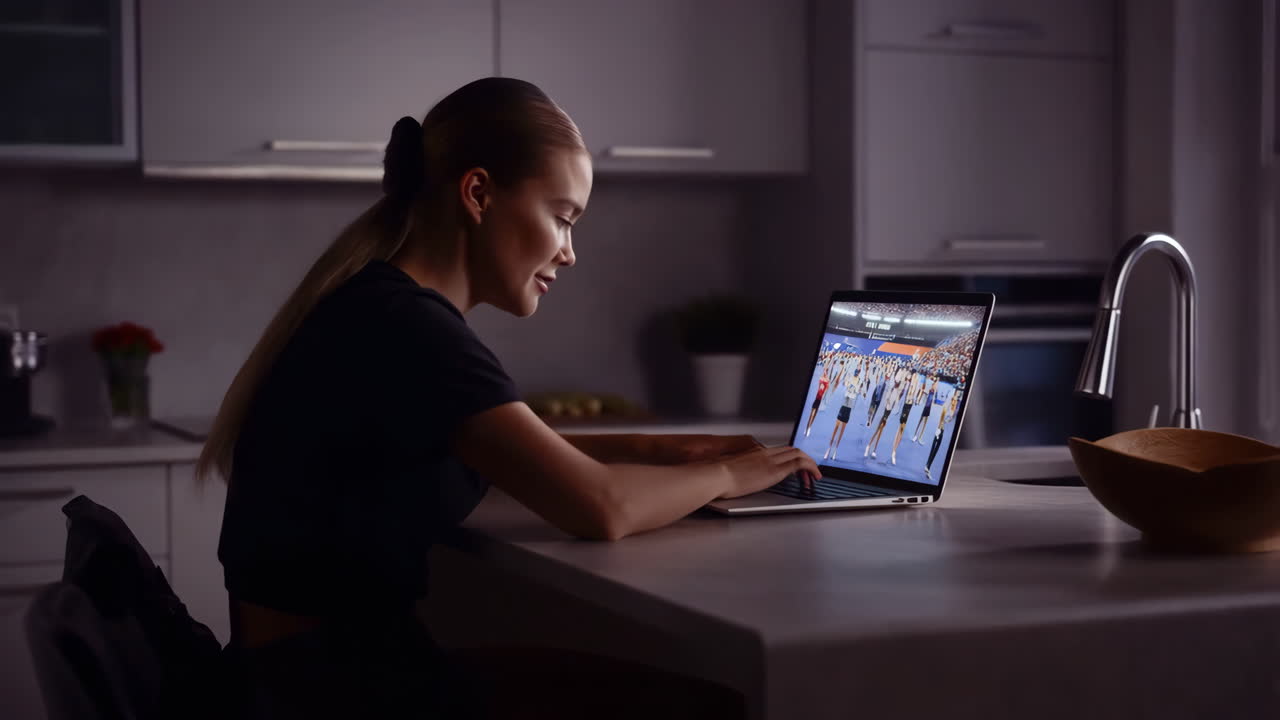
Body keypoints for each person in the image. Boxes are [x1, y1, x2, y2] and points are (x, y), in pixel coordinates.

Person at [196, 78, 819, 720]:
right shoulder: (415, 332)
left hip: (296, 679)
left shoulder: (378, 305)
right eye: (563, 217)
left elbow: (481, 449)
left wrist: (659, 448)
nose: (570, 253)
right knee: (705, 705)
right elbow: (601, 508)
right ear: (478, 193)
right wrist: (732, 473)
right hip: (335, 693)